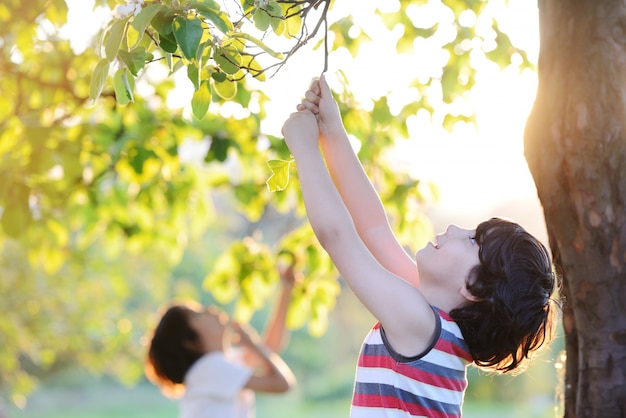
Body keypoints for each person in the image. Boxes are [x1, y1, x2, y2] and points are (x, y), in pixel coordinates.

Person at [281, 75, 559, 417]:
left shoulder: (419, 324)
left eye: (473, 240)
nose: (455, 228)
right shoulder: (433, 325)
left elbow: (338, 237)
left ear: (473, 287)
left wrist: (304, 148)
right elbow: (374, 228)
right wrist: (332, 131)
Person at [145, 264, 297, 418]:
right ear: (190, 341)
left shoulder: (217, 366)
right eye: (198, 314)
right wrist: (252, 345)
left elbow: (269, 348)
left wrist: (286, 287)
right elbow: (281, 384)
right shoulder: (210, 368)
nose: (210, 309)